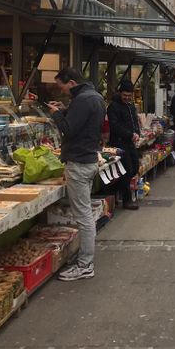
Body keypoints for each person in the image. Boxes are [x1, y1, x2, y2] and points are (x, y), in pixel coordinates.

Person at [48, 67, 106, 281]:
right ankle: (84, 260)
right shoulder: (95, 96)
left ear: (71, 82)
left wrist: (56, 114)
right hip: (88, 159)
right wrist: (65, 110)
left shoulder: (82, 99)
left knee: (84, 217)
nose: (61, 90)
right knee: (85, 215)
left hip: (79, 163)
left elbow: (69, 130)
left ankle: (85, 265)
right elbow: (84, 124)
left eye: (61, 86)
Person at [107, 80, 140, 210]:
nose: (127, 97)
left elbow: (135, 122)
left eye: (129, 95)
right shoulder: (113, 107)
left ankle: (115, 191)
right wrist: (130, 134)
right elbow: (114, 126)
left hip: (130, 142)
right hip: (119, 143)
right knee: (127, 170)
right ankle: (127, 200)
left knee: (135, 167)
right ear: (120, 93)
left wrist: (137, 133)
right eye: (125, 95)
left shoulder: (131, 106)